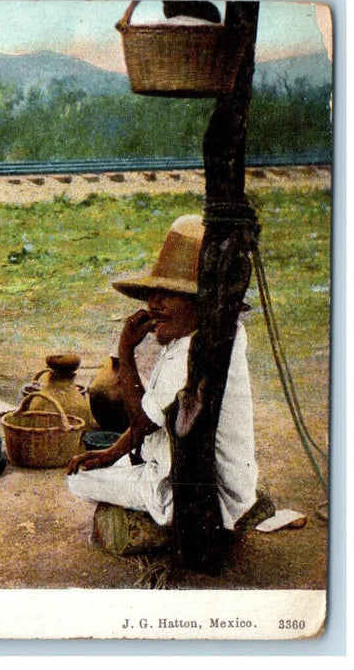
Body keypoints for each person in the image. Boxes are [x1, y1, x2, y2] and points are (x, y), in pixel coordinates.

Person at [65, 215, 258, 532]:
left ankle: (161, 522)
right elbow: (155, 417)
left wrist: (125, 351)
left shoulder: (190, 352)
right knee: (105, 462)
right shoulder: (221, 334)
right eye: (153, 294)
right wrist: (112, 452)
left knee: (77, 480)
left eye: (167, 295)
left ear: (200, 303)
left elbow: (142, 421)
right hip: (227, 489)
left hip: (197, 496)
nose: (153, 305)